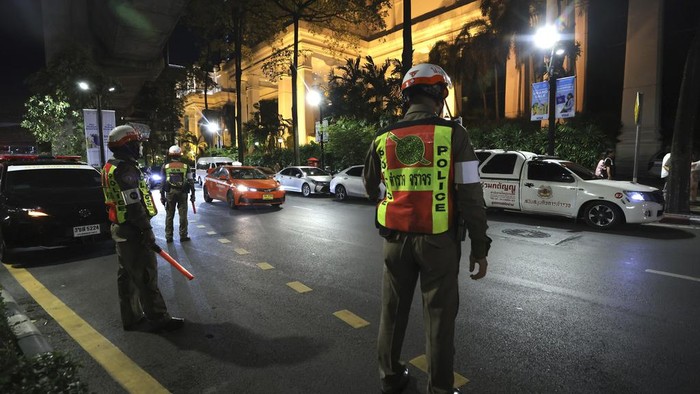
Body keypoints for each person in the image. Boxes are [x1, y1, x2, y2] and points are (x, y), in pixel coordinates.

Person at [363, 63, 492, 394]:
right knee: (438, 320)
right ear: (440, 95)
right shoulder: (454, 135)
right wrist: (480, 247)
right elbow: (471, 196)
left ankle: (390, 377)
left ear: (407, 96)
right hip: (438, 243)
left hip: (394, 240)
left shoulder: (383, 137)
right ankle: (440, 389)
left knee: (391, 313)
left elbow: (369, 187)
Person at [101, 125, 184, 332]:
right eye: (136, 143)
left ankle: (131, 317)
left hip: (121, 228)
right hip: (133, 229)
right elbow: (133, 203)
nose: (139, 148)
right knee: (146, 275)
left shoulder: (110, 166)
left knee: (127, 276)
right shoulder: (125, 169)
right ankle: (158, 318)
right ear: (126, 145)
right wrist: (146, 229)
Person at [160, 145, 195, 243]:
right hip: (183, 193)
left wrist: (162, 196)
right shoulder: (185, 166)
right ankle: (183, 235)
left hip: (170, 193)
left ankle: (168, 236)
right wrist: (193, 194)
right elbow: (190, 180)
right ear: (180, 155)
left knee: (169, 215)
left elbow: (162, 182)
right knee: (183, 215)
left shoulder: (165, 166)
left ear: (170, 155)